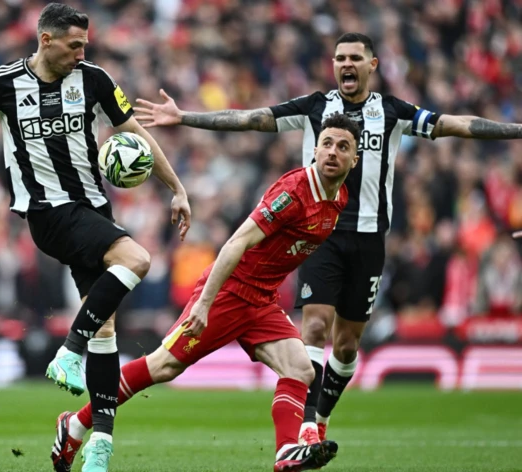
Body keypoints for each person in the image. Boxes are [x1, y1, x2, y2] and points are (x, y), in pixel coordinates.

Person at [131, 32, 522, 445]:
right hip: (320, 233)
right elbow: (252, 118)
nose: (346, 64)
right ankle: (305, 428)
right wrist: (187, 116)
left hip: (370, 240)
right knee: (315, 325)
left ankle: (319, 419)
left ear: (372, 65)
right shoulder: (316, 107)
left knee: (348, 345)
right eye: (339, 58)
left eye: (355, 57)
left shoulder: (392, 111)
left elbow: (454, 125)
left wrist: (517, 131)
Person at [0, 4, 191, 472]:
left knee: (106, 327)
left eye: (85, 45)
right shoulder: (4, 82)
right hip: (47, 212)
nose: (81, 53)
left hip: (93, 210)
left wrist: (177, 188)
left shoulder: (94, 80)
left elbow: (135, 134)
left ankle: (94, 440)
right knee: (138, 258)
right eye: (73, 45)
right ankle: (69, 350)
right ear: (45, 40)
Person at [51, 113, 360, 472]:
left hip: (262, 299)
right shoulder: (293, 192)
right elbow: (236, 242)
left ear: (355, 159)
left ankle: (285, 452)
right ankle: (74, 424)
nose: (332, 152)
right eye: (326, 144)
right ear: (315, 149)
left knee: (301, 370)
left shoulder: (339, 199)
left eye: (343, 147)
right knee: (162, 366)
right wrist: (205, 304)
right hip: (229, 292)